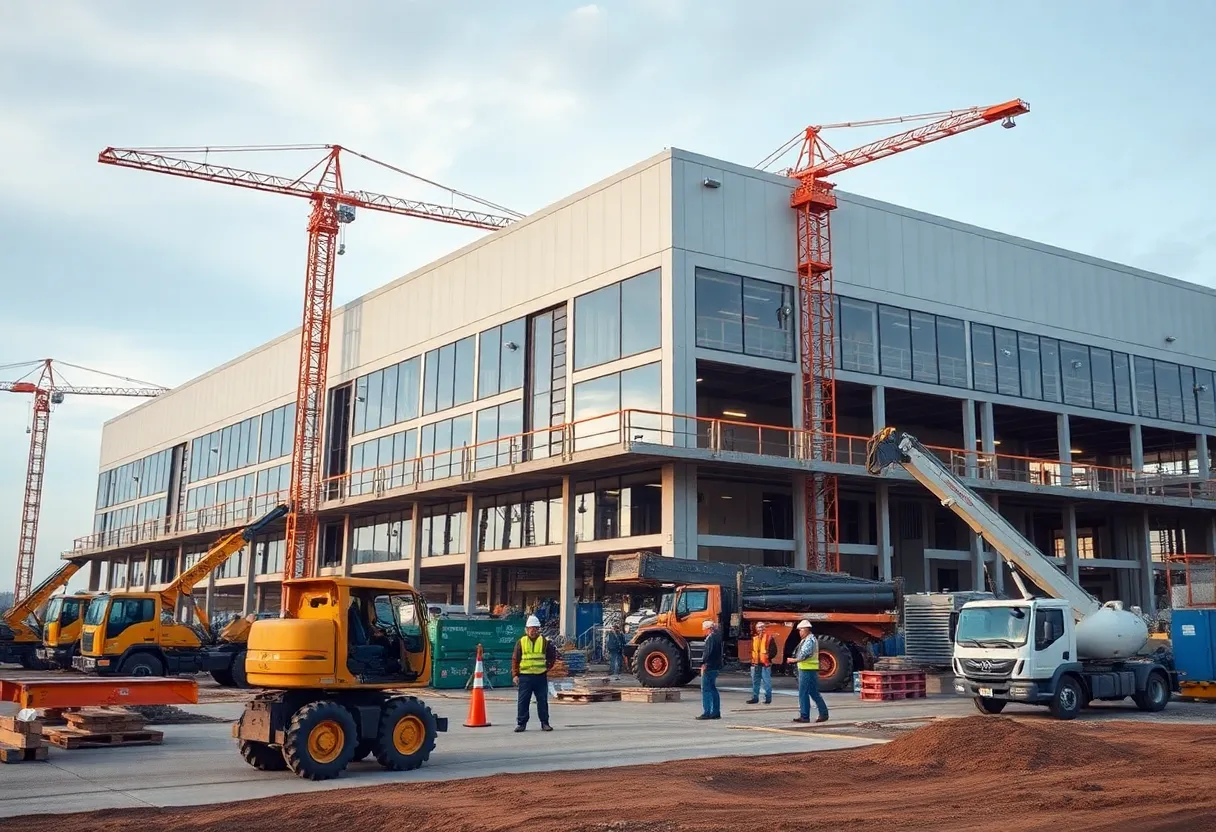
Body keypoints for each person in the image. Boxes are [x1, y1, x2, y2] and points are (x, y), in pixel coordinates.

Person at [512, 614, 558, 732]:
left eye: (535, 628)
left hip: (540, 676)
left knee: (542, 700)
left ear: (538, 629)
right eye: (530, 628)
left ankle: (544, 723)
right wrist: (515, 675)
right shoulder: (521, 642)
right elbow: (515, 659)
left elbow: (552, 657)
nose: (532, 630)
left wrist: (547, 667)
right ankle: (521, 723)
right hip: (525, 676)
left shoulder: (544, 642)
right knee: (523, 701)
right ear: (526, 629)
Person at [791, 619, 829, 723]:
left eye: (800, 630)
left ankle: (805, 716)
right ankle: (823, 714)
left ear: (806, 630)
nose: (799, 632)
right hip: (810, 669)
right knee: (813, 692)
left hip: (806, 669)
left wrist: (793, 660)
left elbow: (804, 654)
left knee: (803, 692)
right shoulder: (810, 639)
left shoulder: (809, 640)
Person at [696, 619, 723, 721]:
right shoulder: (717, 637)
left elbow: (708, 652)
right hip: (716, 666)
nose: (703, 631)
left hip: (709, 666)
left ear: (708, 629)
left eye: (704, 629)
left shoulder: (710, 638)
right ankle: (716, 712)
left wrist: (703, 663)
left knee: (706, 689)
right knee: (713, 689)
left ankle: (707, 712)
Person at [744, 622, 776, 705]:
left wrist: (767, 657)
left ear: (764, 628)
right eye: (759, 627)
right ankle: (755, 698)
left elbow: (774, 651)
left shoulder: (769, 638)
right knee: (755, 682)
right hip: (755, 664)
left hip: (765, 664)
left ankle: (768, 698)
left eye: (762, 627)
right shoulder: (754, 638)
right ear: (756, 629)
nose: (760, 629)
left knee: (767, 682)